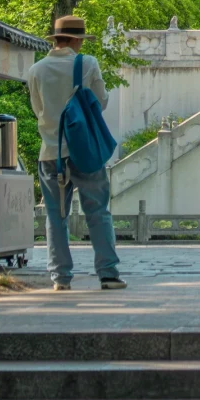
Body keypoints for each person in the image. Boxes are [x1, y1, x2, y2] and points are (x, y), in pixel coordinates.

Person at [27, 15, 126, 291]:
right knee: (98, 212)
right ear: (75, 40)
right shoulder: (87, 64)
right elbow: (101, 102)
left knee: (55, 216)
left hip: (50, 152)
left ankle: (60, 278)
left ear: (56, 39)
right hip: (85, 151)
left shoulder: (36, 70)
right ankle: (107, 274)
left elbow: (38, 110)